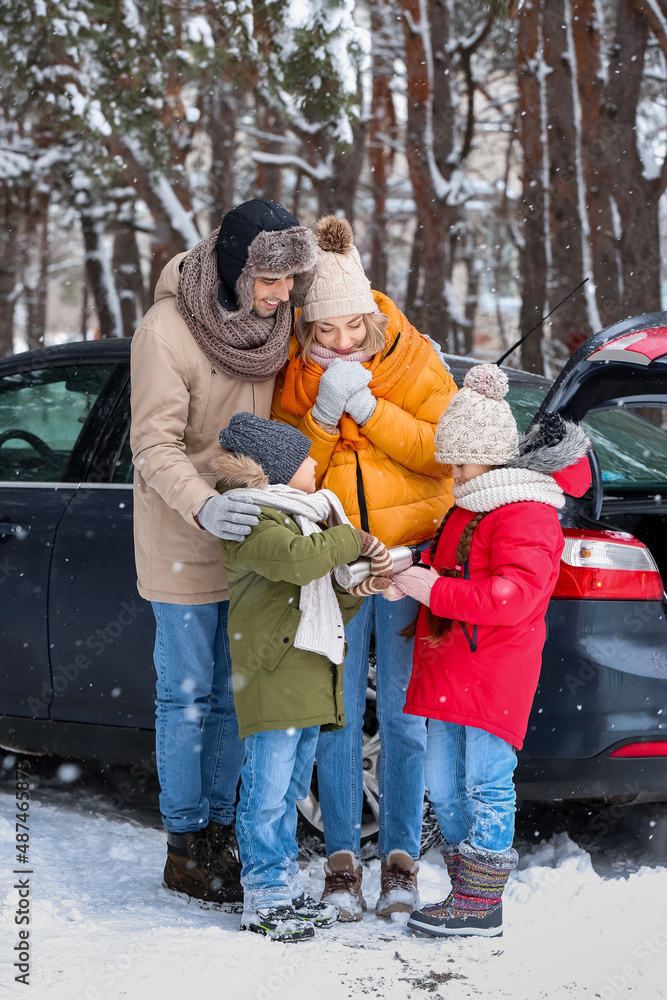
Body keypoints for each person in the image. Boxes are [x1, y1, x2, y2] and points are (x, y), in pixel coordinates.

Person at [130, 200, 317, 908]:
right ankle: (184, 846)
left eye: (289, 283)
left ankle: (220, 829)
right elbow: (153, 445)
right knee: (185, 698)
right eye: (272, 282)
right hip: (181, 535)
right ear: (238, 269)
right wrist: (206, 502)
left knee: (234, 705)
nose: (282, 297)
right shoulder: (165, 333)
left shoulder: (272, 329)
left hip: (248, 545)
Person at [270, 215, 458, 919]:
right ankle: (344, 862)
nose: (342, 342)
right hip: (336, 566)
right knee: (339, 715)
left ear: (369, 311)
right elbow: (289, 473)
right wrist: (319, 418)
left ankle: (402, 861)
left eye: (352, 327)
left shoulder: (414, 359)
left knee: (406, 718)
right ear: (306, 327)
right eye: (325, 333)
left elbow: (441, 451)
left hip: (406, 563)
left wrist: (370, 410)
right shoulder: (293, 372)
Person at [381, 364, 590, 938]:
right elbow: (451, 568)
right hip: (451, 667)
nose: (452, 474)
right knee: (444, 785)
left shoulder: (525, 511)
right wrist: (409, 570)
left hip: (493, 671)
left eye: (460, 462)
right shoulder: (470, 505)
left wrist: (434, 588)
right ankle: (464, 888)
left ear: (492, 458)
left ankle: (481, 902)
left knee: (487, 783)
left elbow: (512, 597)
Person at [210, 412, 393, 940]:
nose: (315, 464)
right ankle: (264, 896)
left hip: (309, 671)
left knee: (289, 789)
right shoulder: (253, 522)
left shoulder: (302, 521)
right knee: (266, 792)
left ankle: (285, 889)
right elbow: (296, 563)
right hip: (273, 673)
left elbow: (320, 599)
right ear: (276, 470)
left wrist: (354, 592)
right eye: (305, 458)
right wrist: (352, 538)